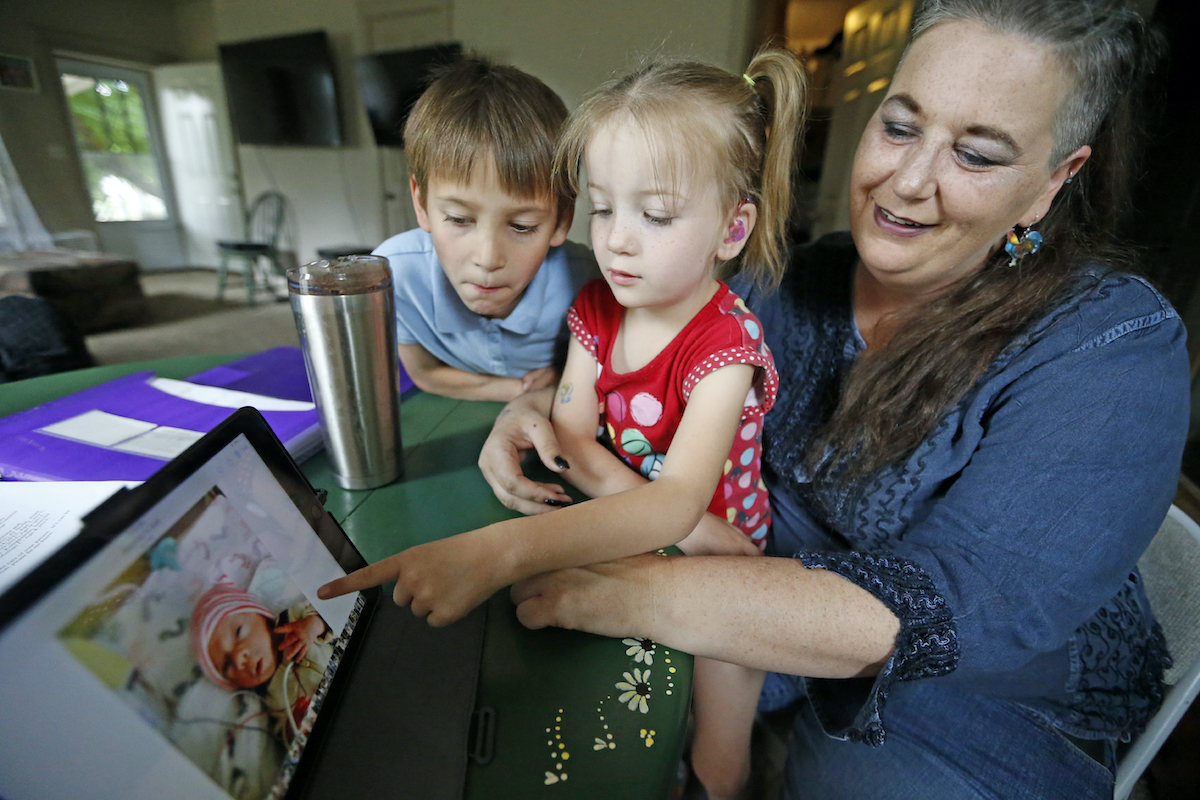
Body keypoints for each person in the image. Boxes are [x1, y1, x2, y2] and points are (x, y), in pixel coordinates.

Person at [482, 1, 1190, 798]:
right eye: (899, 127)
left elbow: (961, 608)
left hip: (978, 707)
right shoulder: (789, 282)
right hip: (757, 609)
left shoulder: (1108, 346)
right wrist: (539, 404)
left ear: (1052, 182)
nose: (910, 181)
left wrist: (644, 596)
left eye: (977, 155)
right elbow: (645, 361)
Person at [545, 52, 803, 800]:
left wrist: (664, 512)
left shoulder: (726, 347)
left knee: (717, 754)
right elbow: (570, 437)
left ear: (731, 229)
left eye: (654, 215)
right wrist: (666, 515)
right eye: (602, 207)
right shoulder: (598, 306)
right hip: (667, 530)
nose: (618, 239)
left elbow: (681, 497)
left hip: (727, 562)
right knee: (632, 714)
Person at [373, 54, 597, 402]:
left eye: (522, 226)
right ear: (421, 203)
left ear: (562, 219)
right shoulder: (391, 277)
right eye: (460, 219)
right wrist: (518, 391)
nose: (488, 259)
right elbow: (424, 372)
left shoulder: (590, 282)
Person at [190, 580, 332, 740]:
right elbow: (282, 734)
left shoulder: (295, 618)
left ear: (261, 615)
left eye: (238, 632)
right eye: (226, 665)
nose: (238, 659)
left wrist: (314, 625)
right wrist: (294, 727)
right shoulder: (266, 700)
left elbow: (337, 611)